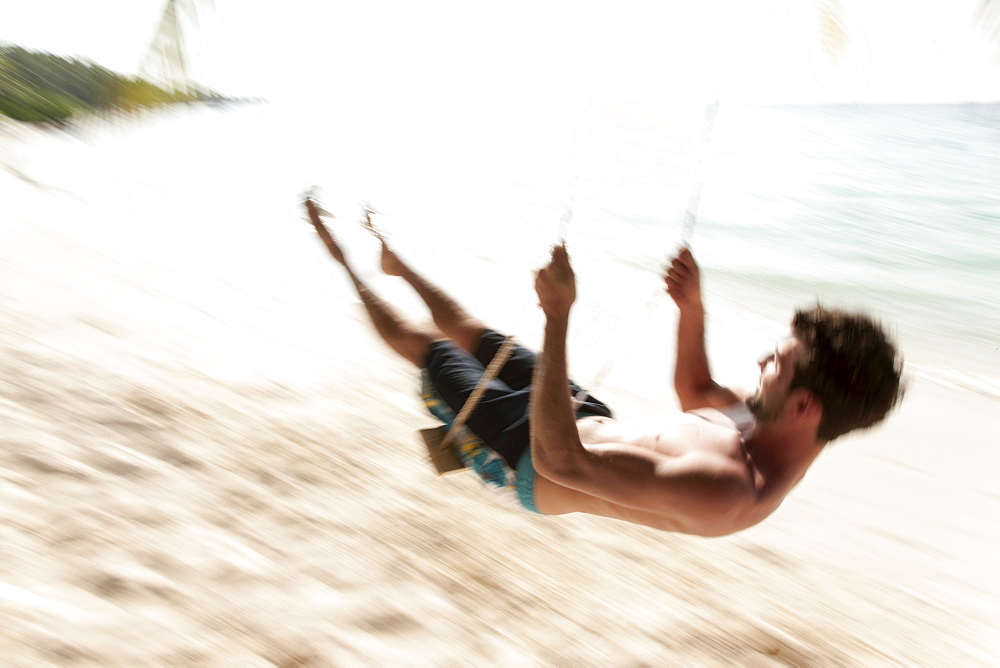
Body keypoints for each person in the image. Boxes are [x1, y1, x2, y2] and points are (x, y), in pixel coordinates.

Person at [303, 198, 904, 536]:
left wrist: (559, 316)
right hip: (584, 419)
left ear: (805, 407)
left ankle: (343, 263)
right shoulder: (774, 423)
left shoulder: (728, 492)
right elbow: (694, 390)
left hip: (525, 454)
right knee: (477, 335)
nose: (762, 361)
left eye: (780, 362)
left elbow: (559, 462)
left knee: (429, 347)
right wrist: (692, 310)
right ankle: (397, 268)